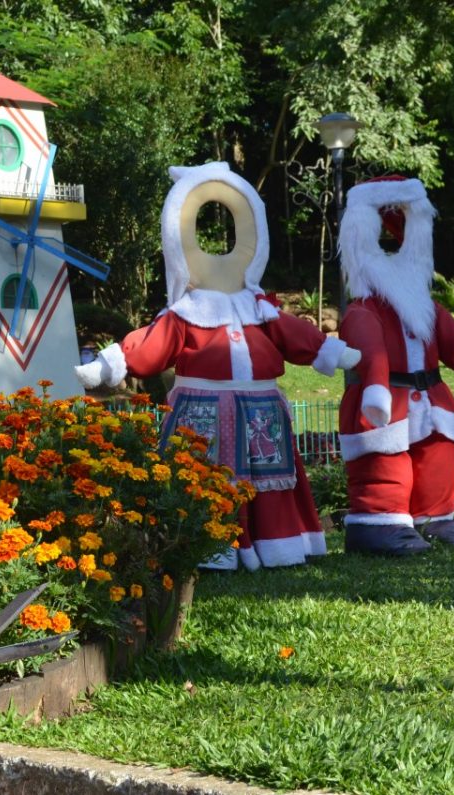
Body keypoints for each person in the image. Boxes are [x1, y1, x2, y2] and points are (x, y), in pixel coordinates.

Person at [76, 162, 361, 570]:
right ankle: (212, 548)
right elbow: (152, 343)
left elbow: (294, 335)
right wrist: (110, 364)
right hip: (203, 412)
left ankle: (276, 543)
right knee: (204, 479)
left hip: (261, 411)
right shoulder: (187, 311)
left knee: (269, 479)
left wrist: (329, 351)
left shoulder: (259, 306)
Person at [337, 176, 454, 556]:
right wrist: (375, 385)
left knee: (439, 455)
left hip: (431, 399)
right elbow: (368, 349)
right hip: (384, 400)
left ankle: (436, 518)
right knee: (385, 463)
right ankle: (380, 522)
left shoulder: (425, 306)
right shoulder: (363, 311)